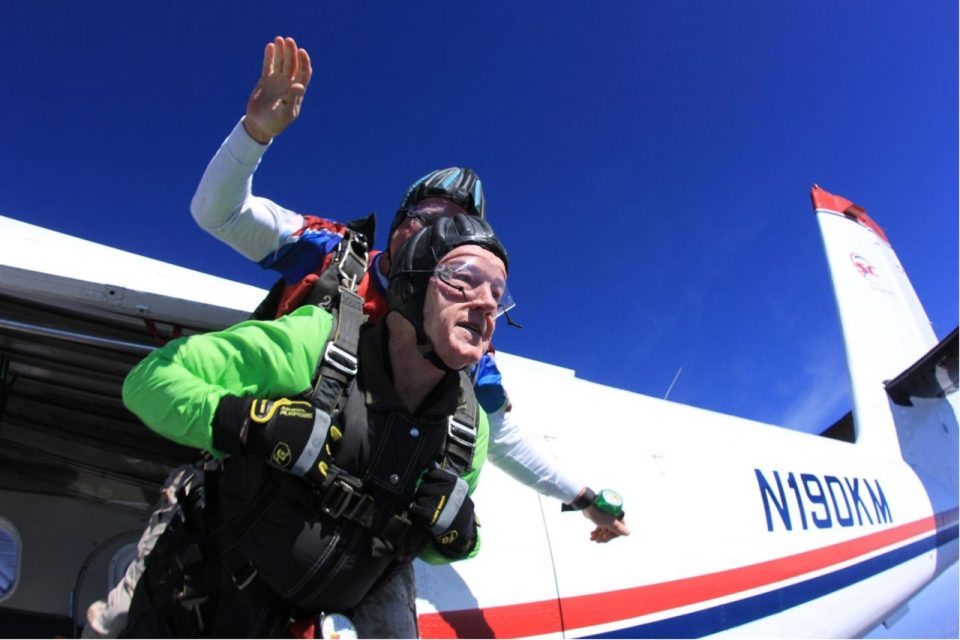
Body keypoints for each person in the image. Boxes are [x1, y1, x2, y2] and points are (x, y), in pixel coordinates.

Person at [83, 35, 628, 639]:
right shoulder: (338, 257)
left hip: (369, 496)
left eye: (459, 229)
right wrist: (254, 134)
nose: (441, 239)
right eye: (427, 220)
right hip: (258, 447)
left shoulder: (466, 342)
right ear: (399, 229)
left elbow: (501, 435)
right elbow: (219, 215)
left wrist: (580, 499)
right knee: (134, 614)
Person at [119, 215, 508, 637]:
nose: (487, 303)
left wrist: (461, 537)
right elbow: (150, 380)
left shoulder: (469, 429)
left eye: (498, 293)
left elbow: (432, 544)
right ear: (412, 282)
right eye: (464, 279)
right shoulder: (318, 343)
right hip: (199, 605)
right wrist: (252, 424)